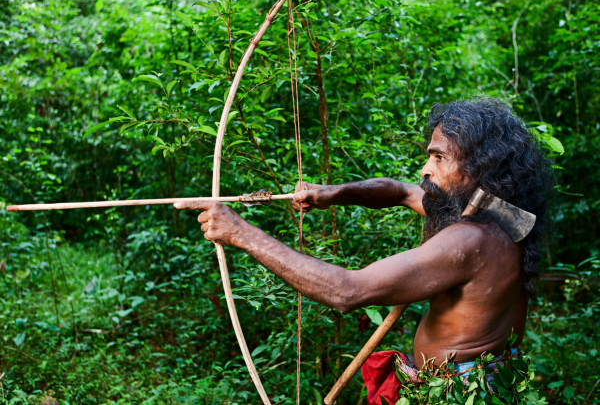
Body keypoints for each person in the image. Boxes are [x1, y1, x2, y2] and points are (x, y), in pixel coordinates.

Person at [174, 98, 552, 404]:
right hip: (491, 379)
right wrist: (333, 193)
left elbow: (348, 290)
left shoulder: (471, 239)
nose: (425, 169)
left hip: (460, 393)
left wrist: (242, 233)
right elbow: (400, 191)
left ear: (478, 165)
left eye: (438, 157)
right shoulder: (499, 215)